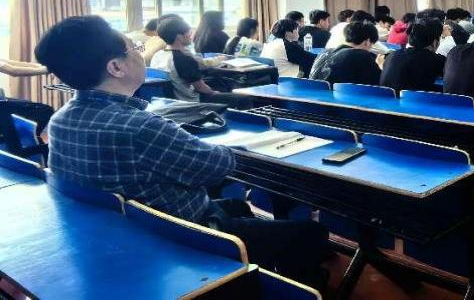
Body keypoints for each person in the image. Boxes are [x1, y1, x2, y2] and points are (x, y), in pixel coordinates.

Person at [35, 15, 329, 286]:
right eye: (134, 48)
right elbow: (215, 168)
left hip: (121, 230)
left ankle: (251, 275)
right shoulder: (140, 127)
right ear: (116, 67)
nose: (139, 53)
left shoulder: (59, 121)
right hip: (179, 236)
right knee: (310, 233)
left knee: (238, 207)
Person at [150, 18, 252, 109]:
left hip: (170, 102)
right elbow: (201, 88)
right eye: (188, 33)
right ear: (179, 36)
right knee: (244, 98)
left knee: (218, 84)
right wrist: (215, 93)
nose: (191, 36)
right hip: (191, 102)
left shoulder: (158, 55)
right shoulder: (183, 58)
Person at [380, 19, 447, 92]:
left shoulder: (392, 55)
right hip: (417, 98)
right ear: (435, 42)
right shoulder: (436, 60)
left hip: (386, 97)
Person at [310, 21, 382, 86]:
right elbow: (379, 84)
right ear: (367, 41)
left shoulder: (324, 52)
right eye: (372, 45)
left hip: (311, 94)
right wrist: (381, 66)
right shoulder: (363, 56)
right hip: (340, 96)